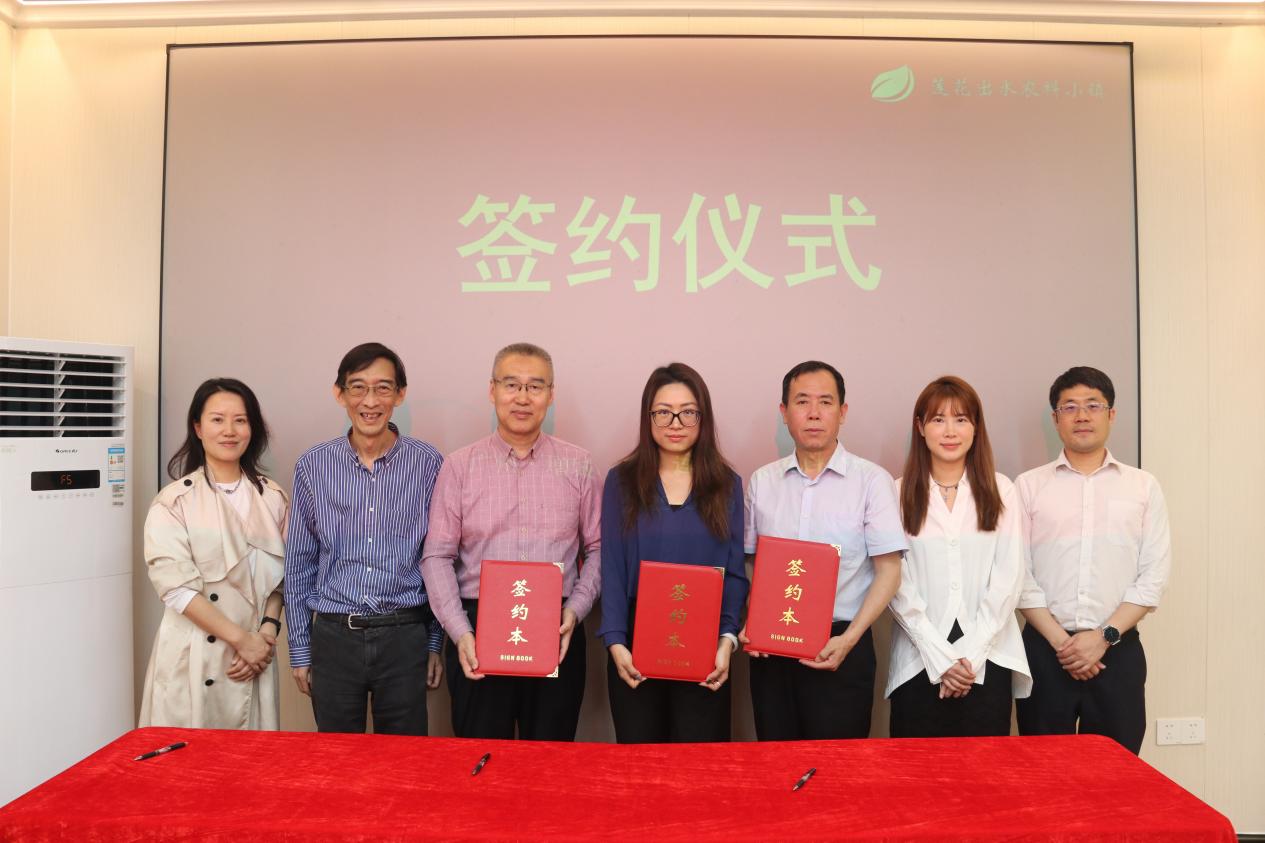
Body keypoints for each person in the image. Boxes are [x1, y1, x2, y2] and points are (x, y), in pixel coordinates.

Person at [421, 342, 601, 741]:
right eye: (511, 385)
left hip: (556, 629)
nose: (522, 398)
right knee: (482, 761)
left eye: (535, 387)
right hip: (477, 632)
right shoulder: (459, 466)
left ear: (551, 395)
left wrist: (575, 610)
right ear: (492, 391)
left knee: (550, 761)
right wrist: (460, 631)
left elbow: (599, 548)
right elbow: (436, 556)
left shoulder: (578, 464)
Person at [739, 360, 907, 740]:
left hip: (842, 645)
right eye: (802, 402)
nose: (814, 413)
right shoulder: (763, 481)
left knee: (838, 767)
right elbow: (751, 562)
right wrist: (754, 619)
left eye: (825, 402)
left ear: (842, 412)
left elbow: (890, 571)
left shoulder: (871, 481)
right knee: (776, 761)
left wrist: (849, 640)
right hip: (772, 649)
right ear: (784, 412)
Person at [283, 342, 444, 735]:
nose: (370, 401)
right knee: (337, 760)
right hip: (334, 636)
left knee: (404, 759)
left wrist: (434, 643)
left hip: (404, 635)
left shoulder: (429, 464)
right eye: (358, 387)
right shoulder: (314, 466)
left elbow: (439, 559)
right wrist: (300, 648)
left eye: (383, 388)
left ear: (400, 395)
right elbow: (299, 563)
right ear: (340, 394)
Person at [1015, 366, 1171, 754]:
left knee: (1116, 773)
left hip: (1118, 651)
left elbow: (1153, 576)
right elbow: (1017, 573)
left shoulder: (1143, 486)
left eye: (1093, 405)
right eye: (1069, 407)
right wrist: (1063, 645)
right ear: (1056, 419)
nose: (1081, 415)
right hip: (1045, 652)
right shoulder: (1028, 486)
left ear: (1111, 414)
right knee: (1043, 771)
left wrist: (1103, 638)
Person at [598, 363, 749, 743]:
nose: (675, 423)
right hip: (635, 643)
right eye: (663, 412)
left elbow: (734, 572)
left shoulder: (726, 484)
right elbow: (611, 566)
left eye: (688, 412)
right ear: (648, 417)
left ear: (703, 418)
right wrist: (616, 642)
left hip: (705, 644)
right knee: (641, 762)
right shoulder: (622, 481)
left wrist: (726, 642)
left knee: (698, 766)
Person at [886, 376, 1031, 737]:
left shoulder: (1001, 489)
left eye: (961, 419)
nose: (950, 431)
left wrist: (970, 657)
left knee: (984, 769)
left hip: (989, 659)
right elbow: (896, 583)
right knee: (915, 769)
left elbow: (1009, 578)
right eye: (938, 419)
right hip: (917, 661)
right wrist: (941, 659)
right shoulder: (897, 493)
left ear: (976, 427)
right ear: (920, 427)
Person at [139, 378, 288, 729]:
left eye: (240, 420)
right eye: (217, 419)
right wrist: (242, 641)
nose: (229, 430)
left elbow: (282, 580)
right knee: (190, 757)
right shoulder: (173, 501)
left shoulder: (273, 498)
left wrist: (266, 635)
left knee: (251, 758)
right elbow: (176, 589)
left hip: (255, 657)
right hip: (195, 656)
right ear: (198, 428)